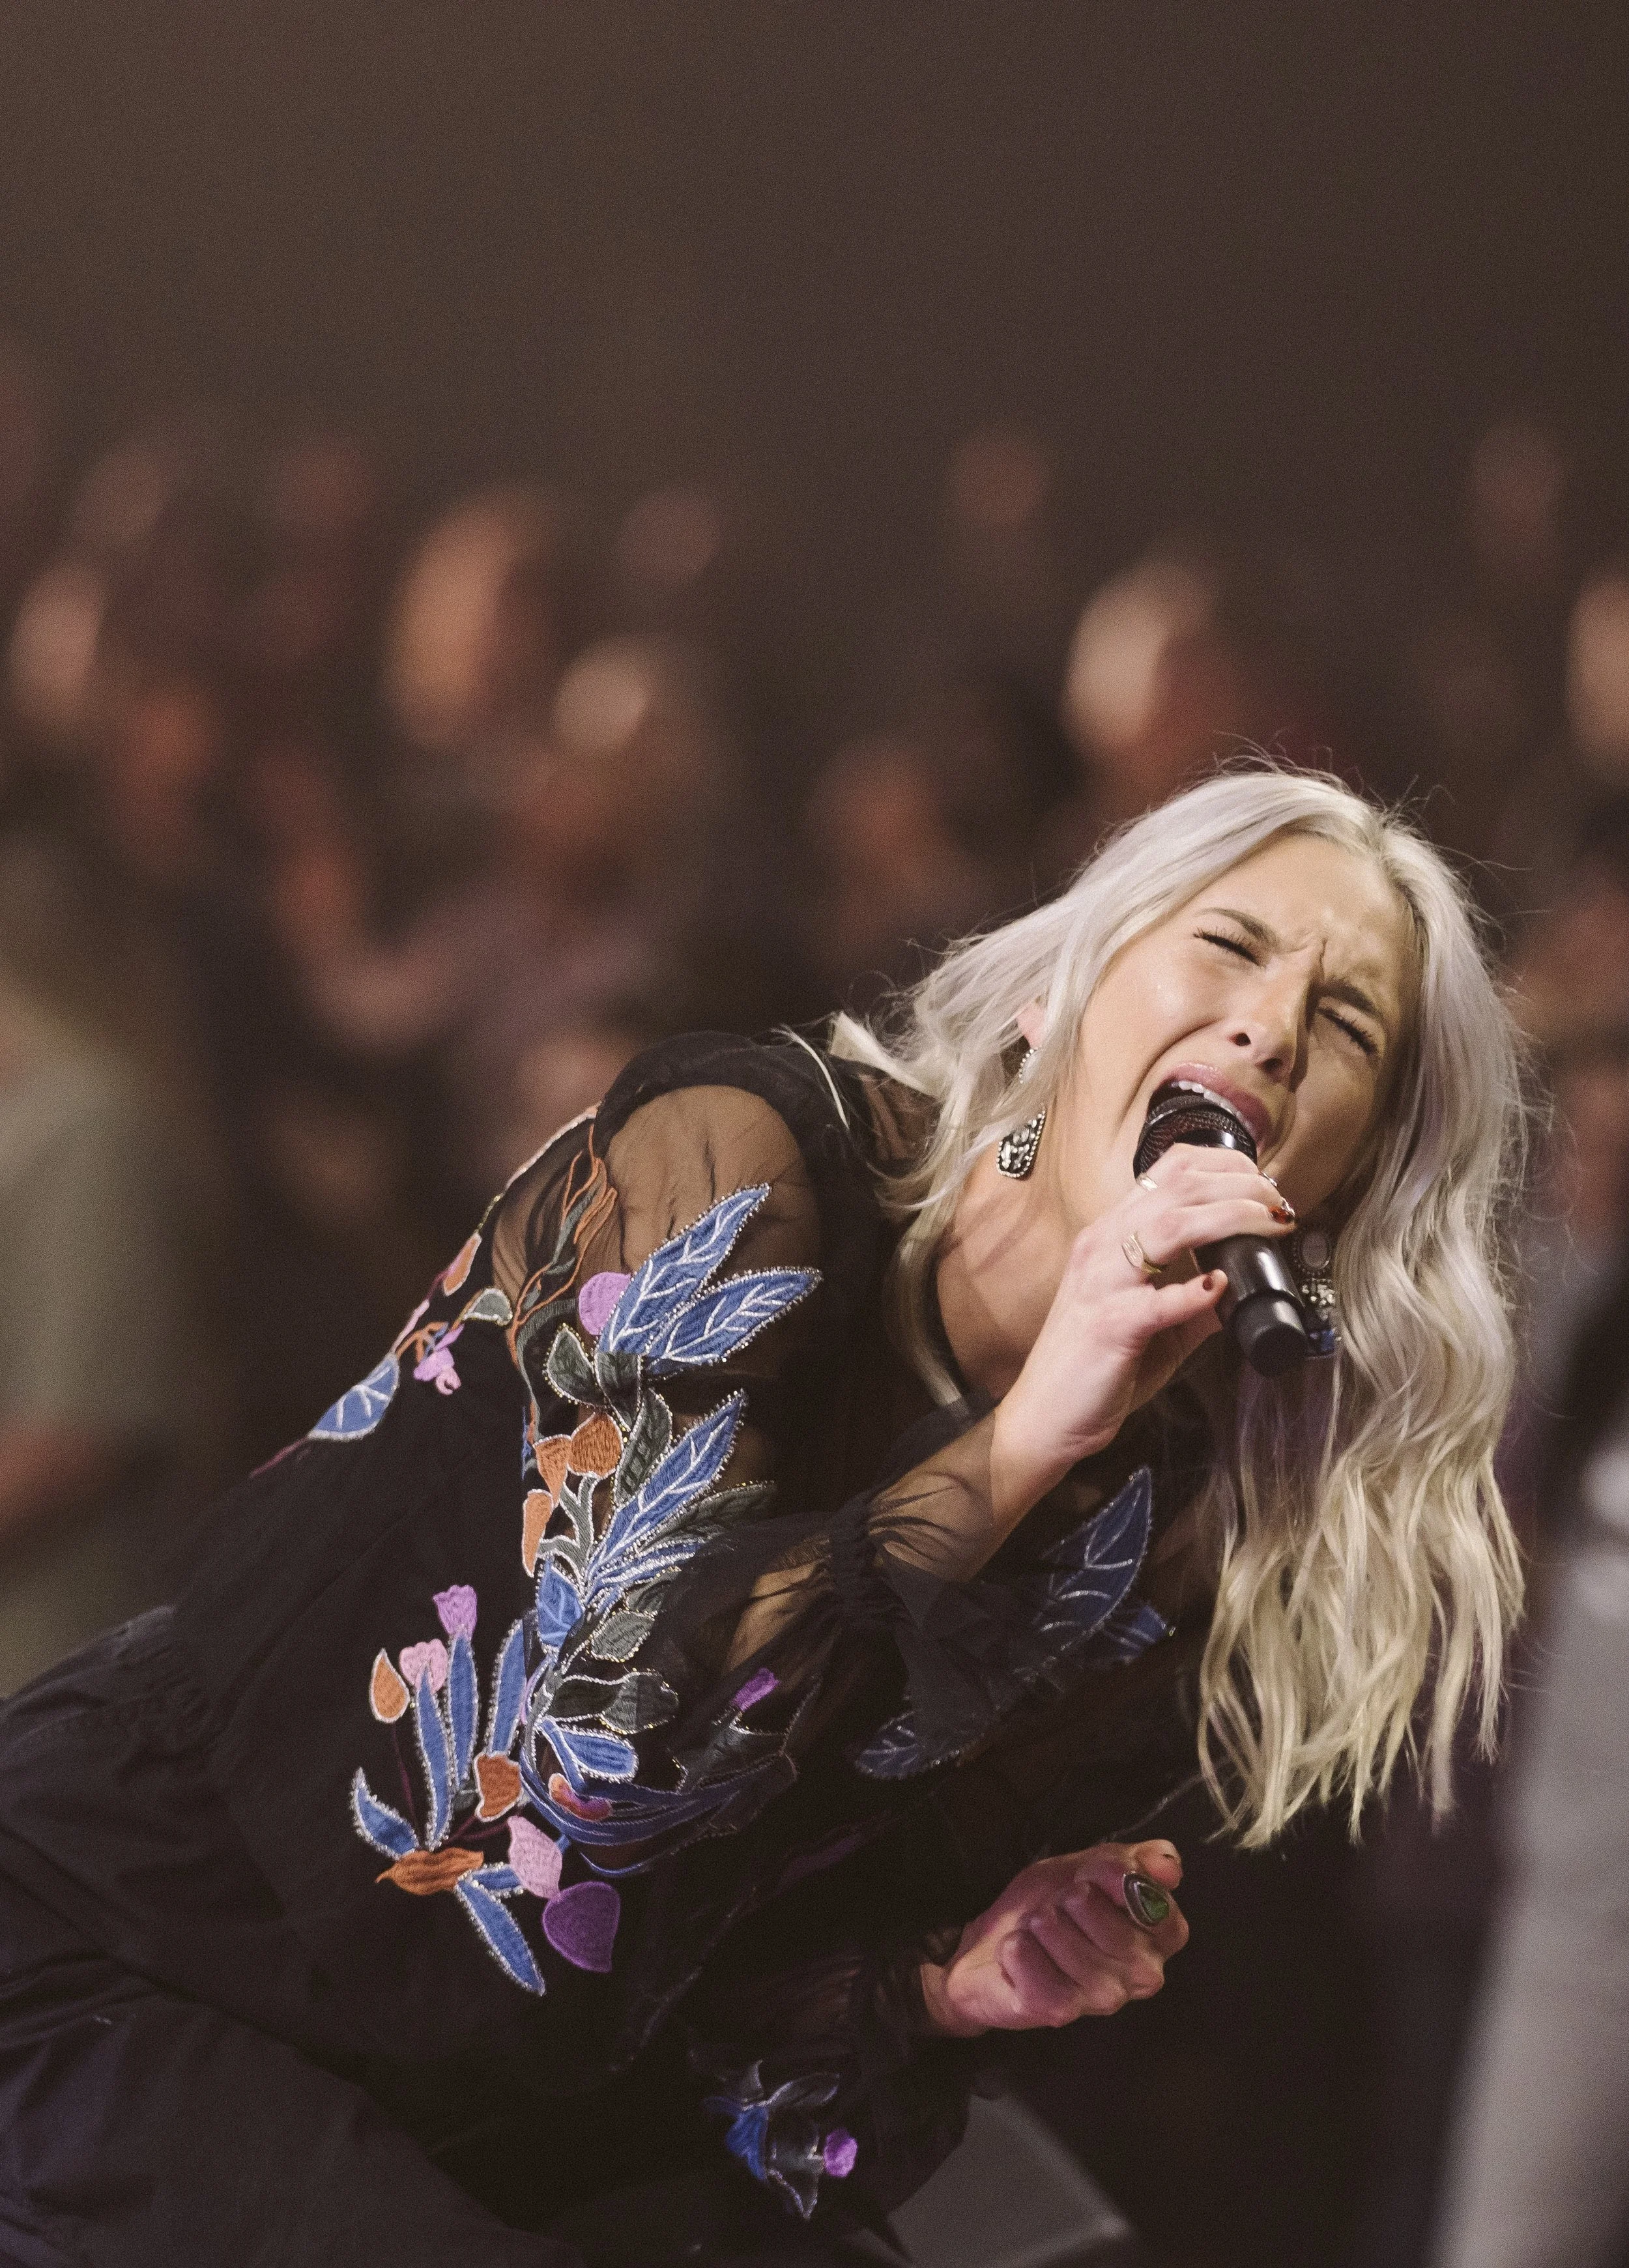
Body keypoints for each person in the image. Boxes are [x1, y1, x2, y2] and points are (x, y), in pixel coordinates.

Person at [0, 769, 1523, 2267]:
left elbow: (704, 1981)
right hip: (143, 1951)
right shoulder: (742, 1150)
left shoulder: (1149, 1528)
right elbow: (611, 1744)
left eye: (1342, 1025)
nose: (1264, 1025)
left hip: (493, 2104)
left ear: (1330, 1192)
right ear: (1052, 1000)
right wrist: (1020, 1434)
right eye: (1229, 945)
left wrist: (942, 1982)